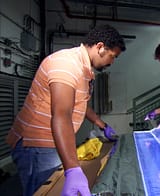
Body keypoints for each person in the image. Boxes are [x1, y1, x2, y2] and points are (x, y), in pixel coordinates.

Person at [6, 24, 126, 196]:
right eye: (112, 56)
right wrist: (73, 169)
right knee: (46, 191)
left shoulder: (84, 70)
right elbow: (61, 115)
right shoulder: (66, 64)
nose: (112, 62)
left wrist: (102, 125)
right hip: (38, 146)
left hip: (50, 143)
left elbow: (80, 105)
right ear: (100, 47)